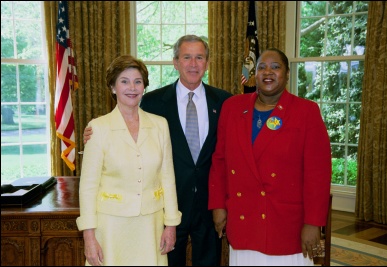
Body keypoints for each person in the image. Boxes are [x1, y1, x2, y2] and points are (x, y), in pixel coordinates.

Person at [83, 35, 232, 266]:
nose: (193, 64)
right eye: (186, 57)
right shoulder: (152, 102)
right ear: (175, 62)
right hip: (161, 212)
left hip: (208, 205)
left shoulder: (224, 102)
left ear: (208, 62)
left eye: (199, 57)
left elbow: (232, 150)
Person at [208, 48, 332, 266]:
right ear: (254, 74)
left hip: (286, 224)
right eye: (262, 67)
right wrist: (218, 206)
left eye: (276, 67)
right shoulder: (232, 107)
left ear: (286, 73)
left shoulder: (306, 112)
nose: (268, 72)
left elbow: (318, 174)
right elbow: (220, 161)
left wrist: (313, 223)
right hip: (244, 218)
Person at [76, 55, 182, 266]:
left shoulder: (160, 125)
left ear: (144, 86)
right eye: (124, 81)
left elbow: (168, 179)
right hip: (111, 227)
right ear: (113, 87)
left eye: (138, 81)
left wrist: (171, 225)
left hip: (151, 226)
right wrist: (89, 237)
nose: (132, 87)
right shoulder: (98, 128)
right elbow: (88, 187)